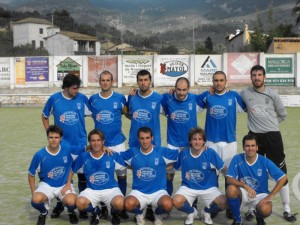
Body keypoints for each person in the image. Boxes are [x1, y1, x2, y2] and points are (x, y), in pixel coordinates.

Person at [240, 65, 297, 223]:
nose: (256, 77)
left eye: (259, 75)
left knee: (281, 173)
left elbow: (283, 115)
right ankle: (252, 208)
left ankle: (286, 208)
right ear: (251, 78)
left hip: (272, 137)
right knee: (252, 172)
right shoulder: (245, 93)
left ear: (264, 77)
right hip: (254, 138)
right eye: (254, 75)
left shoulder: (273, 94)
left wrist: (271, 125)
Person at [198, 71, 246, 219]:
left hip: (229, 142)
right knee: (212, 176)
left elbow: (247, 107)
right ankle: (215, 205)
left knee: (229, 176)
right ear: (212, 82)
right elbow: (192, 102)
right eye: (216, 80)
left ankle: (231, 206)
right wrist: (205, 92)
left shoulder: (234, 96)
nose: (218, 83)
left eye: (221, 80)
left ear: (226, 81)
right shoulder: (208, 96)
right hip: (211, 142)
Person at [42, 73, 91, 219]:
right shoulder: (54, 99)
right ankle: (60, 205)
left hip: (80, 144)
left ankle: (82, 206)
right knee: (62, 177)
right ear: (66, 87)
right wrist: (50, 134)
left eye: (78, 88)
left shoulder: (82, 99)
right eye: (74, 88)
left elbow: (97, 114)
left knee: (82, 175)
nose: (77, 91)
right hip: (62, 146)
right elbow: (45, 116)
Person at [125, 69, 163, 221]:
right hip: (135, 142)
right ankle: (140, 207)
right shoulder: (132, 97)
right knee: (138, 173)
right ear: (137, 81)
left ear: (150, 81)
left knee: (153, 173)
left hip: (153, 142)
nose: (143, 83)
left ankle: (152, 209)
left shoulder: (159, 98)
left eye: (146, 80)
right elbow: (128, 114)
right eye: (140, 80)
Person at [89, 70, 128, 219]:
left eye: (108, 80)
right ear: (99, 82)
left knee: (121, 175)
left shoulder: (120, 98)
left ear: (112, 82)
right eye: (102, 80)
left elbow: (129, 113)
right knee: (102, 176)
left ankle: (121, 206)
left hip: (118, 143)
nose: (105, 83)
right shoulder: (93, 100)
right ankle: (104, 207)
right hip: (99, 146)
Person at [121, 127, 179, 225]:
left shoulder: (161, 151)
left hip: (158, 191)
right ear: (138, 139)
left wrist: (202, 147)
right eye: (142, 138)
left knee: (168, 204)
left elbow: (182, 153)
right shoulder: (132, 152)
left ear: (152, 138)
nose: (145, 141)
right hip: (139, 192)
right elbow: (116, 157)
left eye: (147, 138)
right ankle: (140, 212)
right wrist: (103, 148)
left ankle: (157, 214)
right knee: (127, 204)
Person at [226, 133, 287, 225]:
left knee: (266, 210)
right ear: (243, 148)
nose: (250, 148)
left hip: (260, 194)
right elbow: (229, 179)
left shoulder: (264, 161)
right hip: (244, 192)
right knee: (230, 189)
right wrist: (244, 186)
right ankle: (238, 220)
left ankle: (259, 216)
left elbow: (283, 178)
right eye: (247, 146)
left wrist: (270, 196)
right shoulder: (237, 159)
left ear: (257, 148)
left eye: (253, 146)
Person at [28, 125, 84, 225]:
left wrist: (103, 147)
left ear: (61, 138)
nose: (54, 140)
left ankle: (71, 212)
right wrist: (33, 192)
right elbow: (31, 174)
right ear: (47, 138)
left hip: (64, 184)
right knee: (35, 200)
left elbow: (88, 148)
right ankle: (43, 212)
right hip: (47, 185)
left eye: (56, 137)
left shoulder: (68, 150)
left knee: (72, 201)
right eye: (51, 137)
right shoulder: (39, 155)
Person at [68, 129, 126, 225]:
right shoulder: (84, 156)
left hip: (111, 189)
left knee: (121, 204)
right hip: (92, 190)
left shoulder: (111, 154)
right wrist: (68, 184)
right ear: (89, 142)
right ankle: (95, 212)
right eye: (93, 140)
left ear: (103, 142)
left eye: (98, 140)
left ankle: (115, 213)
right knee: (80, 203)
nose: (96, 143)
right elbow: (72, 170)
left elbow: (130, 163)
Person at [161, 77, 202, 213]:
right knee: (169, 175)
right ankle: (166, 207)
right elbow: (150, 97)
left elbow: (211, 94)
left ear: (188, 89)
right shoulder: (167, 99)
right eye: (178, 89)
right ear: (174, 88)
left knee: (192, 175)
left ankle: (193, 206)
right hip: (172, 145)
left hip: (190, 145)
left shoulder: (195, 99)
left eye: (184, 90)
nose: (181, 92)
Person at [173, 127, 227, 225]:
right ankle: (191, 212)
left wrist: (233, 177)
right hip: (188, 187)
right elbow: (173, 168)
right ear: (190, 141)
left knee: (225, 203)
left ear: (204, 141)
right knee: (176, 201)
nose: (197, 142)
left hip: (208, 187)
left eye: (200, 139)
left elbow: (223, 168)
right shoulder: (184, 153)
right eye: (194, 139)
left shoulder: (210, 153)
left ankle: (206, 211)